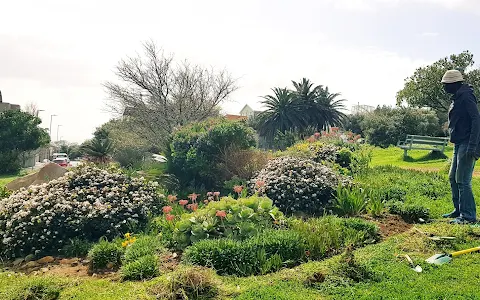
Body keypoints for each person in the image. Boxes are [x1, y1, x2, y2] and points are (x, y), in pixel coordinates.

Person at [442, 69, 480, 224]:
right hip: (459, 143)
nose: (444, 87)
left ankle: (468, 216)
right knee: (453, 177)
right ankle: (458, 210)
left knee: (463, 180)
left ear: (454, 83)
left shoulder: (466, 96)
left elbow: (476, 120)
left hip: (468, 143)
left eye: (446, 85)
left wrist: (472, 145)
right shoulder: (457, 97)